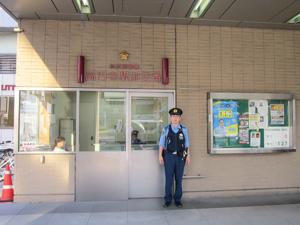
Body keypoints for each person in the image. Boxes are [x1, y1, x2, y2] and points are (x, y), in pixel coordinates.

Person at [159, 107, 190, 208]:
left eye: (177, 116)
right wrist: (160, 156)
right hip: (169, 157)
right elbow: (162, 144)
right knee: (169, 179)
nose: (175, 118)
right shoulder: (166, 129)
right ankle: (167, 200)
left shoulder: (184, 129)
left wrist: (188, 155)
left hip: (181, 157)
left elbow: (187, 144)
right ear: (170, 118)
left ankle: (177, 199)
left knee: (179, 179)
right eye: (173, 116)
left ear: (180, 118)